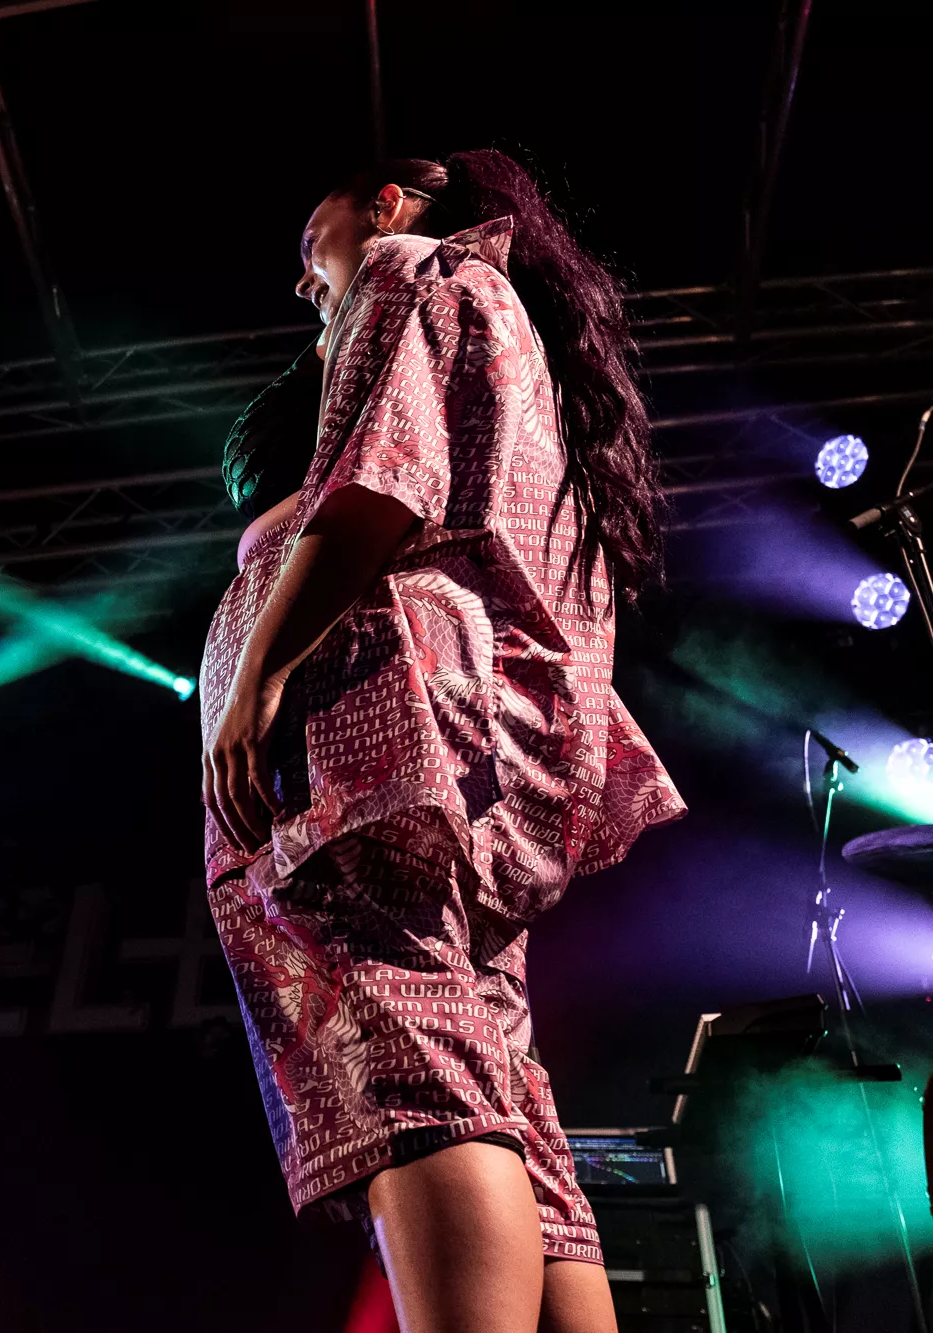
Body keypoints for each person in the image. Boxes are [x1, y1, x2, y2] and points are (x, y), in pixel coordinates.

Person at [199, 151, 687, 1333]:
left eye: (310, 244)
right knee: (496, 1080)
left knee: (403, 1036)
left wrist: (257, 674)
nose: (303, 280)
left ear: (391, 195)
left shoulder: (404, 267)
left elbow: (379, 481)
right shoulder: (509, 331)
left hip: (378, 711)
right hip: (461, 736)